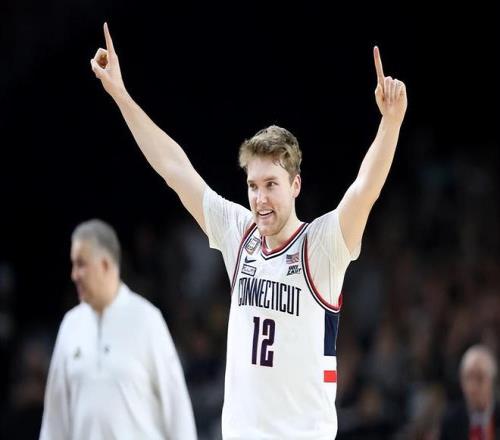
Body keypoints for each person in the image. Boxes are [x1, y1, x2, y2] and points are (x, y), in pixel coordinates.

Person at [90, 22, 407, 439]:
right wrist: (121, 95)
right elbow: (174, 168)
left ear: (295, 185)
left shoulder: (321, 245)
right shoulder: (239, 233)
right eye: (253, 186)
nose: (260, 198)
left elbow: (365, 188)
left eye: (271, 185)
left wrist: (391, 123)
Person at [39, 219, 197, 440]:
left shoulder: (147, 320)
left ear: (104, 264)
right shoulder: (70, 325)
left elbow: (177, 408)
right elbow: (54, 420)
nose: (74, 275)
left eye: (81, 264)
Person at [440, 345, 500, 440]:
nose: (473, 387)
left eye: (480, 378)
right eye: (468, 378)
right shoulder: (451, 421)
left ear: (492, 380)